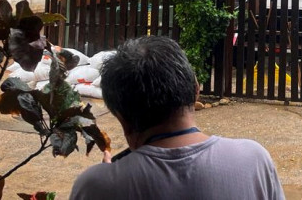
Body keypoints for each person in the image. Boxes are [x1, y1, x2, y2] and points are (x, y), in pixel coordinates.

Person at [69, 36, 285, 200]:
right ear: (195, 90)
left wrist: (109, 179)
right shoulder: (254, 160)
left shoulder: (95, 187)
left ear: (118, 114)